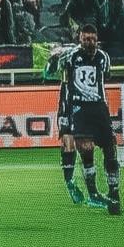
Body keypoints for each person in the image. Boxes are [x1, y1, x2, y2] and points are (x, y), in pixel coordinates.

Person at [47, 25, 122, 214]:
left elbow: (106, 75)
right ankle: (86, 189)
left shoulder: (103, 57)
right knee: (82, 147)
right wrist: (53, 58)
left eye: (92, 39)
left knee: (110, 149)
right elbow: (48, 72)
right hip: (77, 107)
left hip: (99, 107)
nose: (89, 42)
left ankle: (114, 192)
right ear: (80, 39)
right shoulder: (70, 56)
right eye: (86, 39)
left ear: (97, 39)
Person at [43, 45, 84, 205]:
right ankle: (69, 182)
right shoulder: (65, 56)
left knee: (86, 144)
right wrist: (53, 58)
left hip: (85, 104)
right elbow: (47, 73)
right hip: (67, 106)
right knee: (69, 143)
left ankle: (92, 188)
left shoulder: (86, 55)